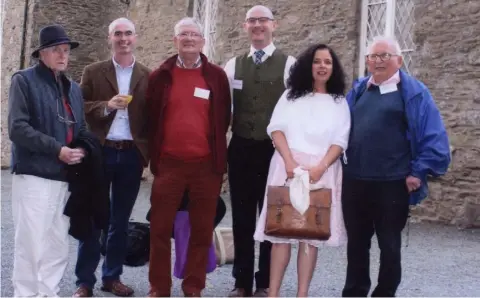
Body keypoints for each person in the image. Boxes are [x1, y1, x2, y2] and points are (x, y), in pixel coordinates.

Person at [341, 36, 451, 297]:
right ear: (366, 61)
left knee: (389, 244)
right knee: (356, 243)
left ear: (399, 60)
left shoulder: (414, 93)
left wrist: (418, 171)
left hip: (392, 183)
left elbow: (433, 136)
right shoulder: (358, 90)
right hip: (356, 181)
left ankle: (385, 293)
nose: (378, 61)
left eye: (384, 56)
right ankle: (355, 291)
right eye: (373, 56)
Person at [253, 43, 351, 297]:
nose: (322, 66)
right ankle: (273, 293)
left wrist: (319, 168)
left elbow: (340, 140)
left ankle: (302, 294)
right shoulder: (290, 96)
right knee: (281, 233)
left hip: (322, 172)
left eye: (327, 62)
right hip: (286, 169)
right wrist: (288, 161)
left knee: (310, 236)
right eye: (317, 61)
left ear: (333, 68)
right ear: (308, 66)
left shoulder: (339, 101)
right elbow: (276, 128)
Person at [146, 17, 231, 297]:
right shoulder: (161, 76)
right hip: (169, 164)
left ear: (202, 41)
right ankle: (159, 287)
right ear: (175, 41)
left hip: (206, 166)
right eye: (184, 35)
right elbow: (150, 119)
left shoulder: (216, 76)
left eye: (194, 35)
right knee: (159, 228)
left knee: (202, 229)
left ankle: (193, 286)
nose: (189, 39)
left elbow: (224, 117)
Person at [73, 17, 151, 297]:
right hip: (100, 152)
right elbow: (78, 107)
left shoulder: (147, 74)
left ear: (136, 37)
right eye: (117, 34)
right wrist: (106, 106)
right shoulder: (94, 71)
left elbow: (153, 117)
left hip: (131, 154)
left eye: (128, 33)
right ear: (110, 38)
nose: (123, 38)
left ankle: (112, 276)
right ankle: (84, 281)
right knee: (94, 218)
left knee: (120, 221)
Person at [223, 5, 296, 297]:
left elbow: (294, 111)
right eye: (252, 21)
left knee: (270, 217)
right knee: (241, 218)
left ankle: (264, 283)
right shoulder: (232, 65)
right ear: (245, 27)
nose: (257, 25)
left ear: (273, 26)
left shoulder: (289, 64)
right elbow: (225, 110)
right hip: (240, 147)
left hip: (273, 150)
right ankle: (241, 283)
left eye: (263, 20)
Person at [8, 24, 86, 297]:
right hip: (34, 175)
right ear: (42, 54)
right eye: (56, 50)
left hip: (65, 177)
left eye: (66, 51)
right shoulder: (24, 80)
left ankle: (48, 293)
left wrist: (83, 150)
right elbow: (17, 128)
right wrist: (57, 149)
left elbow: (81, 129)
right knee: (31, 245)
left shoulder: (73, 89)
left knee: (57, 244)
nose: (63, 55)